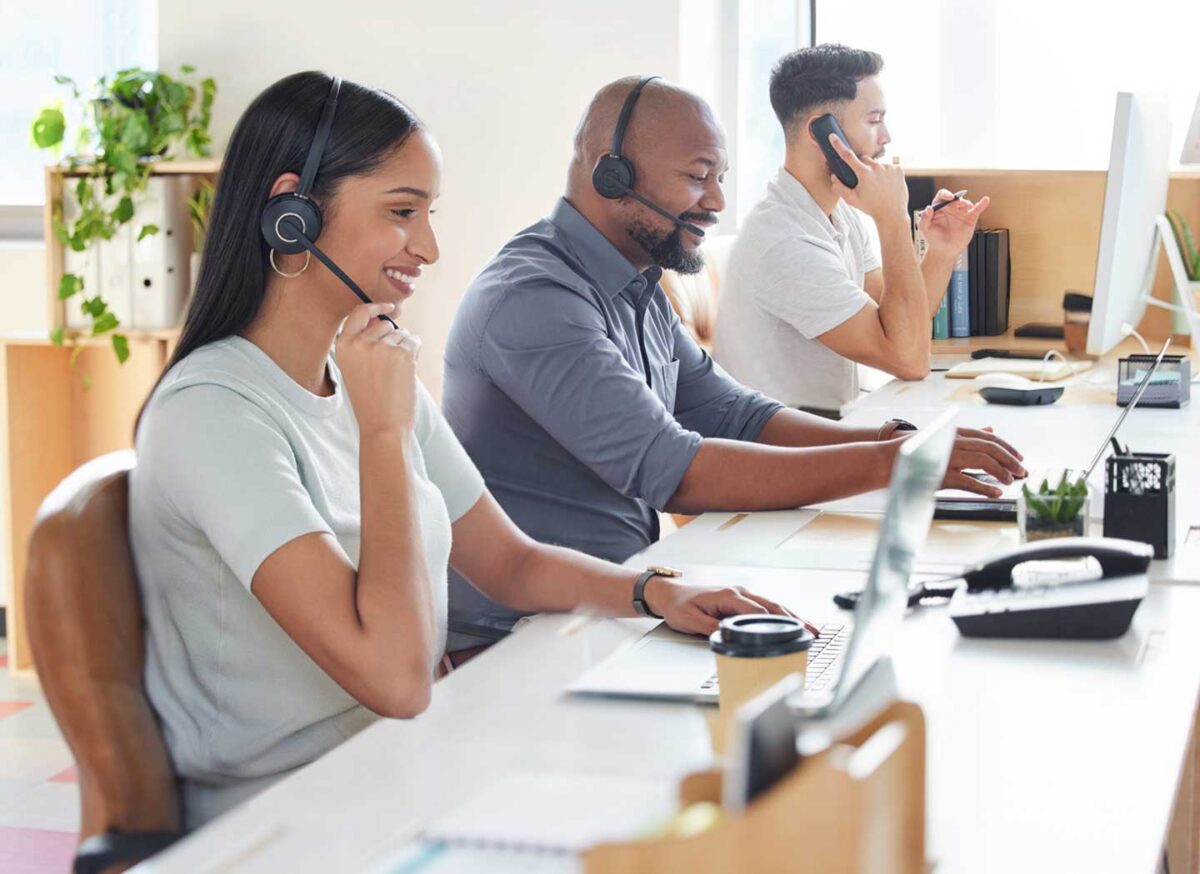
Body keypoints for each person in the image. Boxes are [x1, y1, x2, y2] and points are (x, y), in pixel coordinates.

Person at [129, 71, 795, 829]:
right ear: (294, 212)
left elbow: (509, 562)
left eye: (429, 213)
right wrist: (382, 434)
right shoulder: (214, 413)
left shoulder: (367, 373)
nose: (431, 246)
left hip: (415, 762)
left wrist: (653, 594)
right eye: (402, 212)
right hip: (299, 814)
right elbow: (396, 678)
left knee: (703, 787)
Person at [442, 76, 1023, 651]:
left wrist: (890, 439)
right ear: (609, 173)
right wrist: (891, 464)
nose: (717, 202)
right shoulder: (536, 299)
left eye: (720, 179)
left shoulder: (631, 279)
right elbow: (676, 472)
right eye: (698, 178)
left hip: (627, 598)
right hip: (522, 636)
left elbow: (733, 414)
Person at [715, 44, 990, 414]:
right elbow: (908, 358)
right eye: (874, 120)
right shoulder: (784, 240)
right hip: (787, 453)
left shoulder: (837, 214)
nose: (887, 136)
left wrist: (941, 251)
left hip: (830, 431)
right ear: (823, 133)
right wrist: (892, 218)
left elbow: (895, 324)